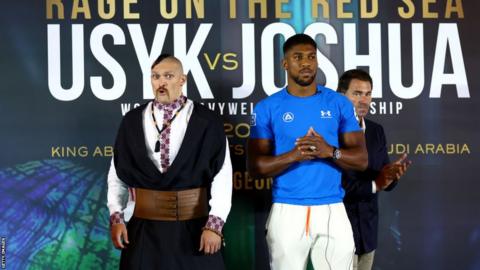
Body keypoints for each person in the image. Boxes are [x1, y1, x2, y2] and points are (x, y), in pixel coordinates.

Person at [247, 34, 368, 270]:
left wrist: (329, 151)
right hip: (286, 209)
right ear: (284, 64)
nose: (306, 63)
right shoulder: (267, 108)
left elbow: (362, 160)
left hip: (332, 207)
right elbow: (255, 168)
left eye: (311, 57)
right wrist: (295, 155)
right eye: (298, 57)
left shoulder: (339, 104)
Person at [107, 54, 232, 270]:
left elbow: (222, 175)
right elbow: (117, 174)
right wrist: (116, 217)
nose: (161, 82)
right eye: (155, 77)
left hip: (195, 228)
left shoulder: (207, 120)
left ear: (182, 80)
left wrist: (214, 225)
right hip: (144, 229)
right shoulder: (132, 120)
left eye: (168, 76)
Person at [337, 69, 411, 270]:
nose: (364, 100)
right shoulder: (328, 132)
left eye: (368, 94)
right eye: (357, 93)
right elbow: (336, 186)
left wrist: (391, 176)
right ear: (340, 96)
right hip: (337, 234)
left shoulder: (376, 131)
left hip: (368, 234)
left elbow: (383, 178)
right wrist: (374, 184)